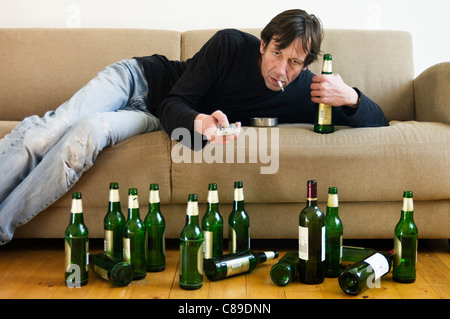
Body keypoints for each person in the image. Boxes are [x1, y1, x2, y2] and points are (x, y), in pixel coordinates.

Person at [0, 9, 388, 245]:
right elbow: (174, 102)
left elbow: (380, 123)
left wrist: (350, 96)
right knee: (47, 133)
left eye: (295, 62)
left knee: (84, 137)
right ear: (263, 43)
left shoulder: (306, 90)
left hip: (150, 120)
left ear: (307, 65)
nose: (281, 69)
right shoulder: (229, 45)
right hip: (138, 80)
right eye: (277, 54)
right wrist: (198, 120)